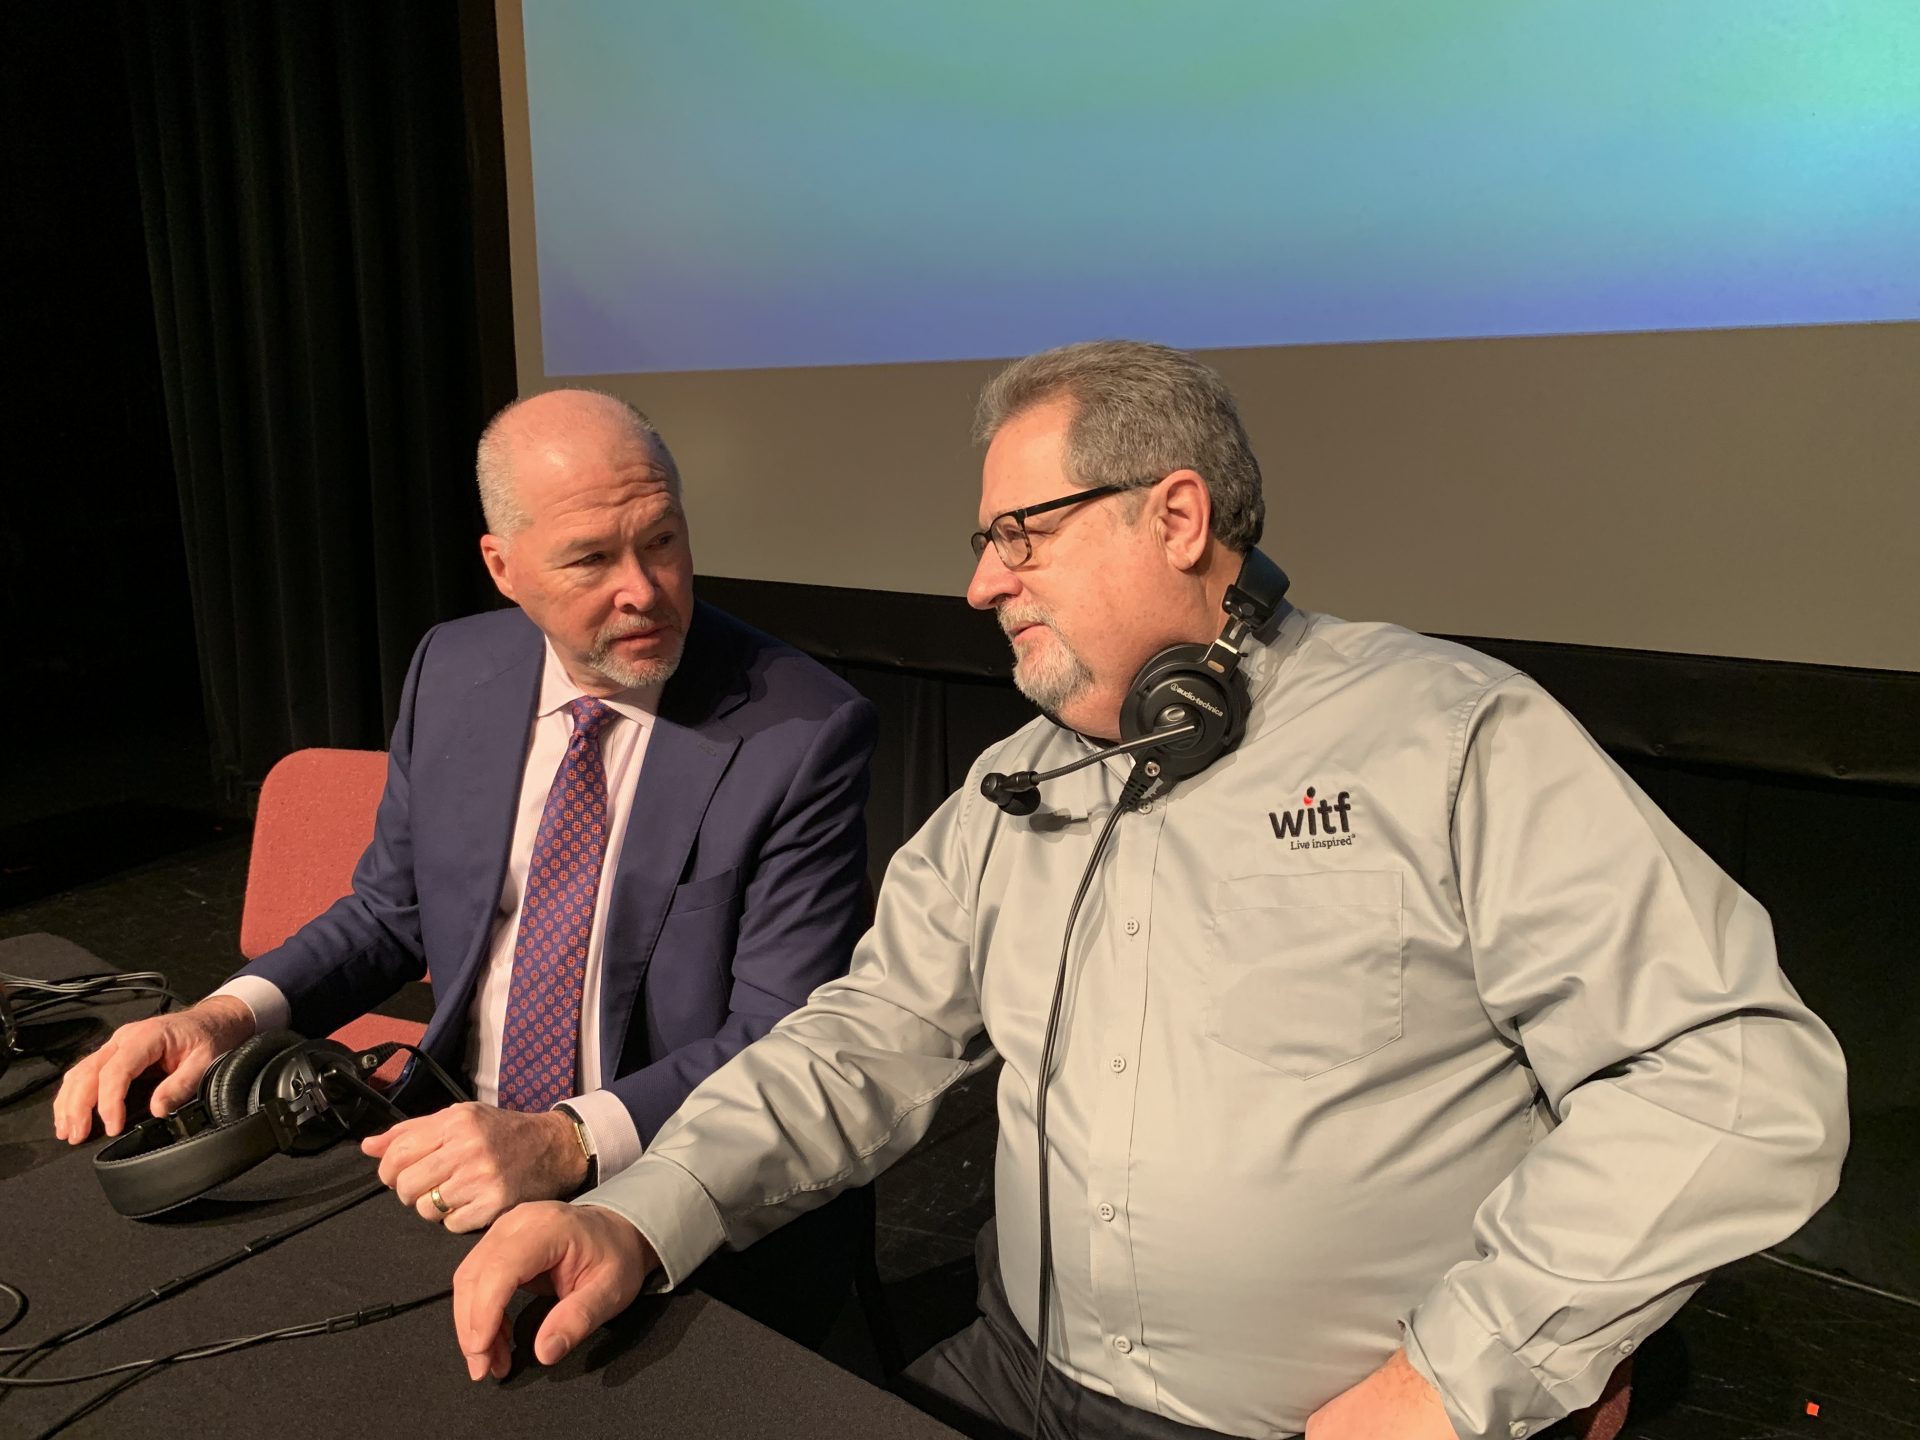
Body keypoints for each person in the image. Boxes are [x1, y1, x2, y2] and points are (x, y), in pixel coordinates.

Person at [449, 343, 1848, 1440]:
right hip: (1021, 1375)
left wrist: (1453, 1380)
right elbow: (859, 1041)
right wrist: (645, 1209)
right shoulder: (1016, 786)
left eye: (1022, 534)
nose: (981, 582)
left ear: (1177, 513)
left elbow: (1736, 1076)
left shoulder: (1454, 740)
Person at [52, 389, 877, 1237]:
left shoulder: (802, 732)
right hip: (442, 1135)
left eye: (662, 540)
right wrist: (223, 1019)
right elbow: (391, 912)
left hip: (664, 1171)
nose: (644, 589)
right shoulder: (453, 667)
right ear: (503, 568)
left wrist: (566, 1142)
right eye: (590, 559)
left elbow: (782, 1033)